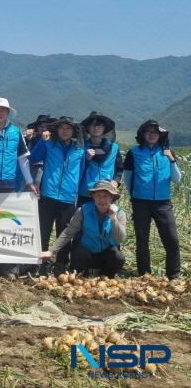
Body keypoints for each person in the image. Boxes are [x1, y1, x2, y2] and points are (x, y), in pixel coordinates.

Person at [123, 120, 182, 279]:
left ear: (160, 135)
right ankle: (144, 274)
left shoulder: (167, 152)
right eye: (148, 131)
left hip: (163, 203)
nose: (152, 134)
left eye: (155, 132)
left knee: (171, 239)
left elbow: (177, 179)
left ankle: (174, 275)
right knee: (142, 240)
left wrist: (172, 160)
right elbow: (127, 179)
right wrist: (135, 195)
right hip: (140, 202)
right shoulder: (134, 153)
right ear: (142, 134)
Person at [29, 116, 86, 273]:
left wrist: (74, 189)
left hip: (68, 198)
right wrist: (42, 141)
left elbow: (81, 172)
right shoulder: (50, 145)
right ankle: (40, 262)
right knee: (43, 231)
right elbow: (33, 158)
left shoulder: (80, 149)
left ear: (73, 131)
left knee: (65, 233)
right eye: (62, 128)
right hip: (48, 195)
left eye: (68, 128)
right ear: (57, 130)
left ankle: (61, 263)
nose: (65, 131)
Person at [40, 180, 126, 278]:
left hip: (106, 254)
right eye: (98, 196)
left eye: (105, 196)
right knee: (79, 253)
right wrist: (51, 251)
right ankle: (84, 274)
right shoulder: (83, 210)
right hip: (86, 252)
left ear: (112, 198)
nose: (101, 200)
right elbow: (69, 232)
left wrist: (113, 218)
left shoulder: (120, 214)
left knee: (118, 257)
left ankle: (106, 275)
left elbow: (121, 239)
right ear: (93, 197)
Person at [78, 112, 122, 206]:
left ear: (104, 128)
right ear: (88, 128)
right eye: (93, 125)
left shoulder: (114, 148)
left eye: (100, 125)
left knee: (107, 220)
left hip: (107, 193)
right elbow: (75, 169)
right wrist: (86, 159)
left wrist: (116, 181)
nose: (96, 128)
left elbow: (119, 169)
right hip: (85, 193)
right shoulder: (81, 148)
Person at [25, 115, 57, 184]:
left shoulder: (55, 141)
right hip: (33, 173)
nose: (44, 129)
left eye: (47, 127)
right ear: (37, 128)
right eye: (41, 126)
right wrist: (26, 140)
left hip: (50, 174)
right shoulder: (30, 139)